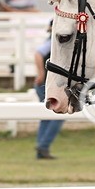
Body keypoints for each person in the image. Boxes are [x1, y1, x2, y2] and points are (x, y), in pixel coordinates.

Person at [33, 30, 66, 159]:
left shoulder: (53, 41)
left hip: (46, 84)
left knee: (46, 117)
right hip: (46, 84)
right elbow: (38, 54)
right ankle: (43, 145)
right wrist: (41, 73)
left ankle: (42, 146)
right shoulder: (53, 41)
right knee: (57, 116)